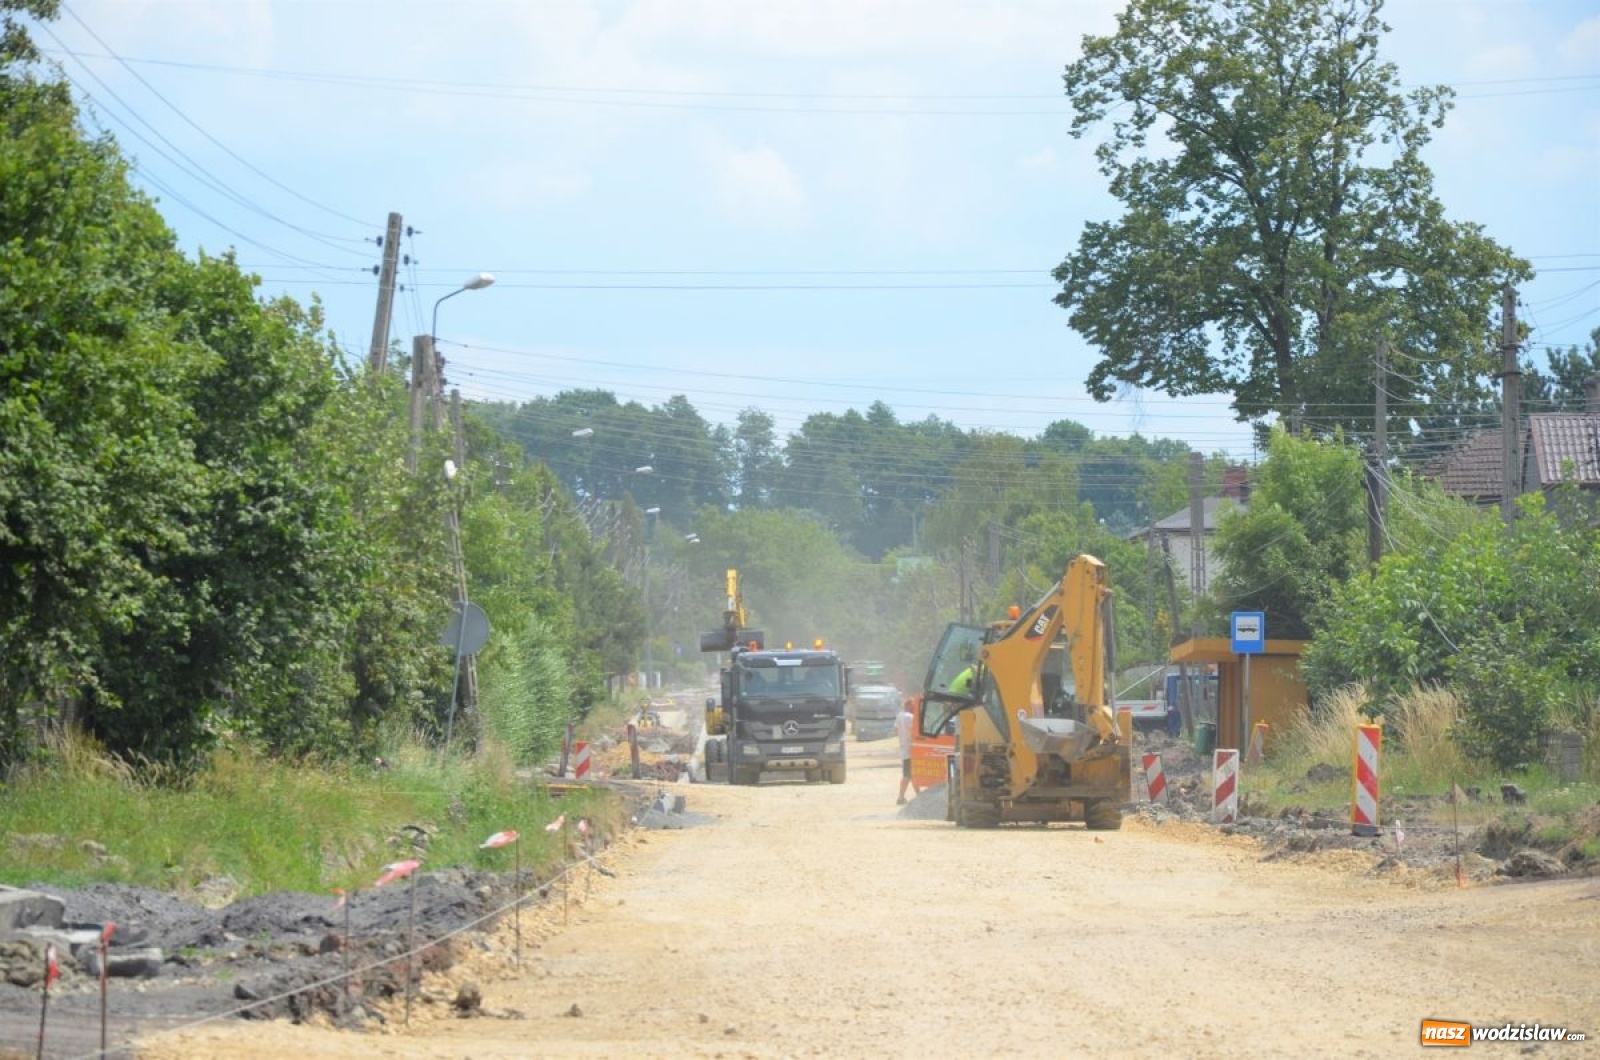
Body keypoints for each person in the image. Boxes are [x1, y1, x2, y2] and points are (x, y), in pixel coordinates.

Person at [895, 698, 917, 805]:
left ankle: (919, 795)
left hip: (904, 749)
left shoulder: (899, 716)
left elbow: (896, 730)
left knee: (911, 774)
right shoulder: (911, 717)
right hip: (911, 750)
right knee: (908, 775)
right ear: (909, 706)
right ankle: (900, 797)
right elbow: (916, 731)